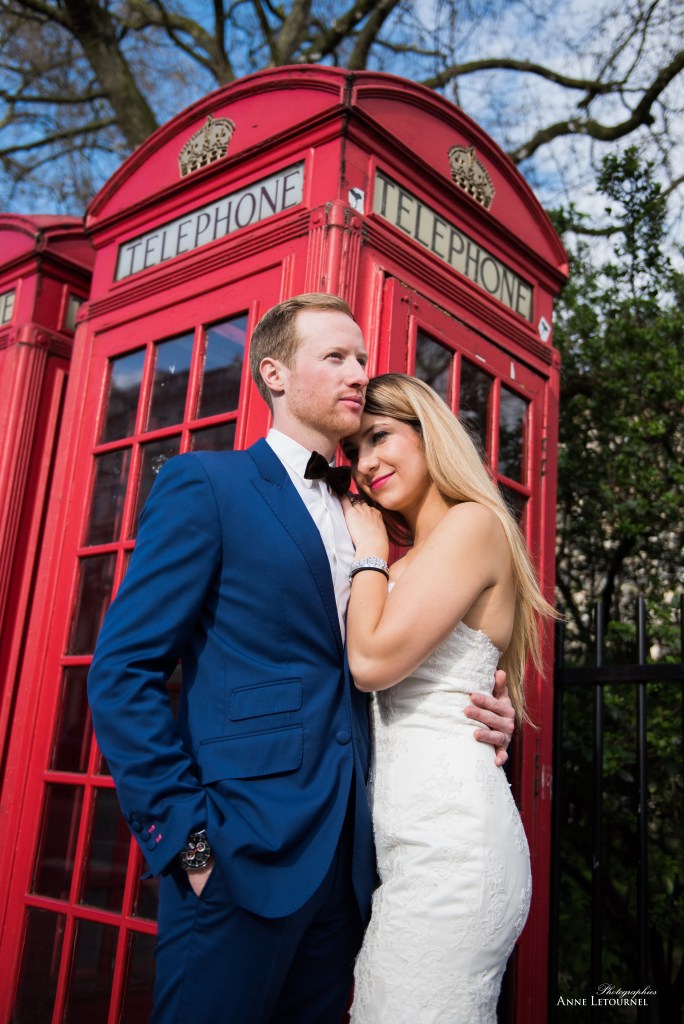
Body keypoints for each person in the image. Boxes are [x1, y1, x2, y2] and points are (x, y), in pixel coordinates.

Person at [87, 295, 515, 1024]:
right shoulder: (208, 485)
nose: (358, 373)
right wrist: (188, 845)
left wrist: (483, 717)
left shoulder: (374, 521)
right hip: (239, 858)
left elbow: (394, 661)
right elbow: (121, 672)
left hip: (353, 873)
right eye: (337, 357)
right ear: (275, 373)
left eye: (362, 360)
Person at [340, 373, 555, 1024]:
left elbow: (372, 661)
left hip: (453, 853)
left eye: (379, 437)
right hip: (402, 847)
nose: (366, 462)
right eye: (353, 450)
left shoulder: (472, 525)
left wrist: (370, 554)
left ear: (428, 430)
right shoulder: (406, 565)